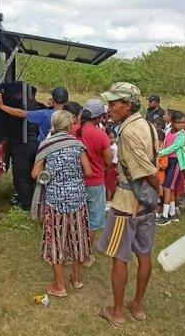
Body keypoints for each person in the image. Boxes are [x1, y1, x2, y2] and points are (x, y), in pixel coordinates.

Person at [96, 82, 159, 328]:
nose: (109, 108)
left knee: (120, 258)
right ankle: (138, 305)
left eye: (114, 103)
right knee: (144, 254)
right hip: (147, 203)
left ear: (128, 105)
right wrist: (157, 192)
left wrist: (158, 186)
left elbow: (143, 171)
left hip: (127, 202)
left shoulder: (129, 132)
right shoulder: (148, 126)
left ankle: (118, 311)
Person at [30, 110, 92, 297]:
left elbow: (35, 174)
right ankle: (76, 278)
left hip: (55, 201)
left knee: (56, 240)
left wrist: (50, 175)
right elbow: (88, 172)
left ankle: (60, 286)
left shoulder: (46, 145)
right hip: (78, 200)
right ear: (68, 126)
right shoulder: (77, 144)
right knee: (78, 238)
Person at [75, 99, 114, 266]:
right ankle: (85, 255)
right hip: (95, 182)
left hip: (75, 182)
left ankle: (72, 251)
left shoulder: (73, 131)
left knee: (75, 218)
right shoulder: (100, 135)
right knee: (93, 221)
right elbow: (108, 160)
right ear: (98, 118)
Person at [0, 87, 69, 143]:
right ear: (67, 101)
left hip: (46, 150)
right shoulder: (71, 115)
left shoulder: (44, 114)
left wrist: (2, 105)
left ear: (53, 100)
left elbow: (20, 113)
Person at [156, 111, 185, 226]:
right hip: (168, 161)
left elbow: (174, 147)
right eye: (179, 122)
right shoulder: (168, 131)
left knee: (167, 188)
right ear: (172, 122)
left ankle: (166, 216)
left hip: (176, 162)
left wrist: (159, 153)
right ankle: (171, 213)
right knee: (169, 188)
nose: (182, 125)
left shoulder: (182, 134)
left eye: (184, 122)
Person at [105, 128, 119, 202]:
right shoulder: (106, 145)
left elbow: (114, 162)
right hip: (107, 167)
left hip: (111, 168)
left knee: (109, 186)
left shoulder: (115, 148)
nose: (112, 139)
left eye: (113, 137)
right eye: (110, 138)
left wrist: (106, 169)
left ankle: (109, 201)